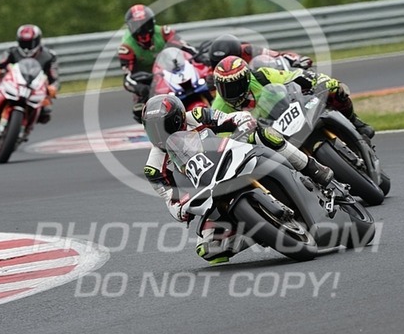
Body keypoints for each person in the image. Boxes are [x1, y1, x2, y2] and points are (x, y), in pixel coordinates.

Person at [142, 94, 333, 265]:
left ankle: (312, 167)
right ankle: (262, 230)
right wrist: (181, 208)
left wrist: (243, 122)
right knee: (208, 249)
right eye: (152, 129)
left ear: (179, 119)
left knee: (264, 135)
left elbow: (229, 118)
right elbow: (170, 199)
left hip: (231, 157)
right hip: (209, 190)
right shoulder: (153, 168)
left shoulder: (198, 116)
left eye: (164, 127)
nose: (159, 135)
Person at [211, 52, 375, 139]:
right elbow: (223, 139)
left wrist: (320, 80)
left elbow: (293, 76)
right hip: (266, 135)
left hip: (286, 111)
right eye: (225, 87)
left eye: (235, 85)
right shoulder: (218, 107)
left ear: (247, 79)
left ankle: (355, 122)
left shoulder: (261, 75)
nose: (231, 92)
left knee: (335, 91)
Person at [118, 4, 198, 122]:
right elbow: (127, 79)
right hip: (149, 80)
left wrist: (199, 57)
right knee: (140, 110)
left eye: (146, 25)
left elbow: (187, 48)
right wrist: (141, 88)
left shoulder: (163, 32)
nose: (143, 31)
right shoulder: (126, 47)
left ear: (152, 23)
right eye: (137, 27)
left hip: (171, 71)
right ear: (130, 28)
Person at [0, 24, 59, 127]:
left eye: (30, 43)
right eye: (24, 43)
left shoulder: (49, 56)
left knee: (46, 110)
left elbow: (54, 77)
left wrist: (53, 87)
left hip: (35, 87)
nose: (26, 47)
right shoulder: (12, 51)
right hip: (12, 83)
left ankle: (27, 125)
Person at [207, 33, 314, 71]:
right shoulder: (211, 73)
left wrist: (296, 59)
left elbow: (277, 55)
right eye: (218, 63)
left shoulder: (249, 50)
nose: (224, 65)